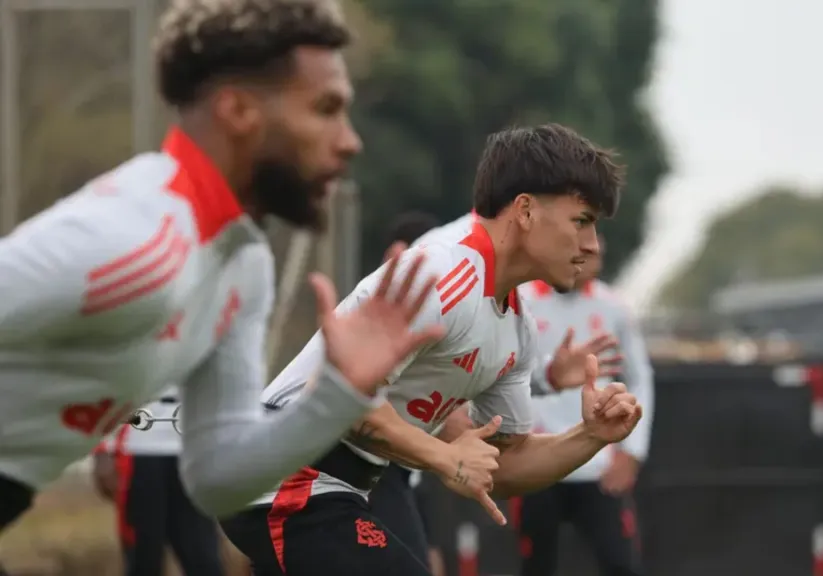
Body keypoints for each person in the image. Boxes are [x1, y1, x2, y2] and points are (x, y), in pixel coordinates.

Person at [0, 0, 441, 545]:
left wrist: (339, 393)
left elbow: (218, 480)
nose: (350, 140)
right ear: (237, 110)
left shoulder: (242, 264)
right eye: (326, 109)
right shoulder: (132, 238)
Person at [220, 123, 643, 575]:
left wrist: (591, 436)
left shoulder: (517, 329)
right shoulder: (439, 275)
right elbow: (344, 398)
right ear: (524, 211)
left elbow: (504, 465)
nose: (591, 245)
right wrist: (445, 457)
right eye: (582, 221)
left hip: (333, 485)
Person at [514, 239, 654, 576]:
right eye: (587, 252)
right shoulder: (522, 302)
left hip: (598, 463)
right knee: (536, 565)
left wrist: (632, 452)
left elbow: (640, 378)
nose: (595, 260)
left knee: (620, 563)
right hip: (538, 460)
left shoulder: (614, 307)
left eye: (598, 253)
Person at [370, 211, 444, 571]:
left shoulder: (448, 321)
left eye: (406, 264)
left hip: (405, 468)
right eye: (391, 264)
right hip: (361, 467)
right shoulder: (364, 316)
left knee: (424, 553)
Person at [93, 387, 224, 576]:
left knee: (204, 556)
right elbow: (105, 380)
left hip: (193, 448)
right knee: (143, 556)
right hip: (139, 447)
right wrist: (102, 448)